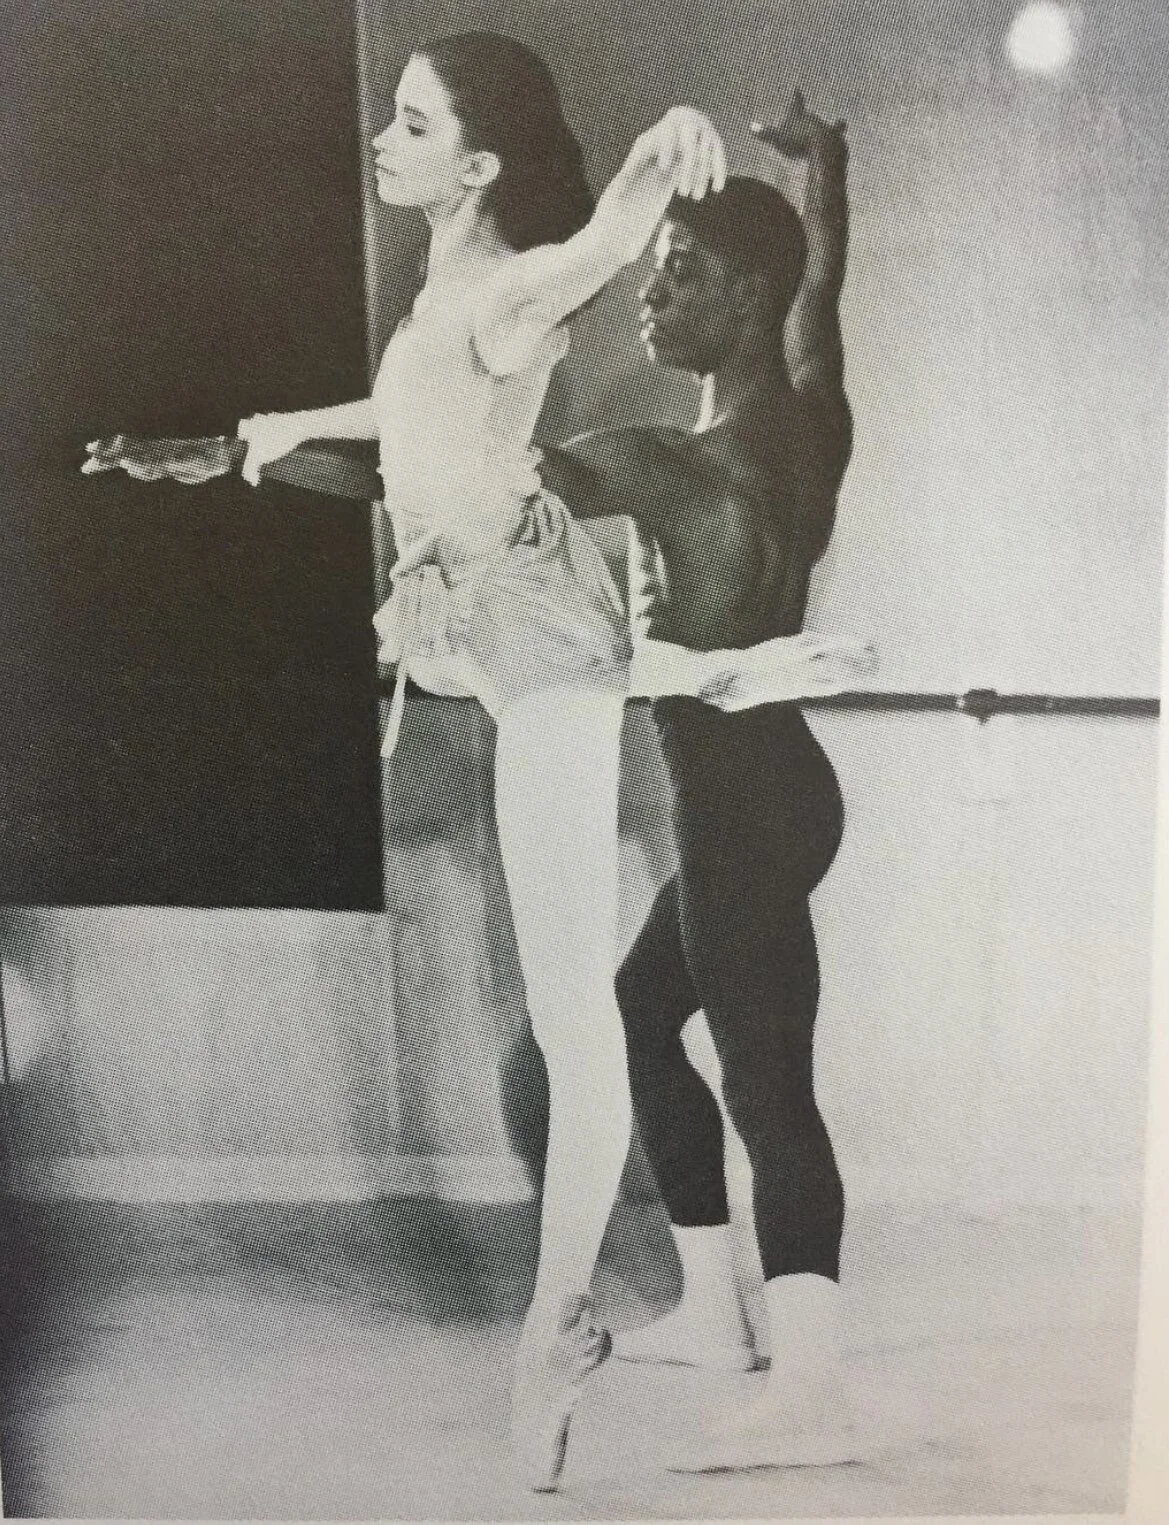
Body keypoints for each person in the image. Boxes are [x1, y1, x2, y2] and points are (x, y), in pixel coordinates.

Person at [82, 31, 727, 1491]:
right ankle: (565, 1315)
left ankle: (557, 1325)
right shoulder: (445, 290)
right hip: (464, 612)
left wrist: (654, 139)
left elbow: (605, 244)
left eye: (414, 122)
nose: (384, 137)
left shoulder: (507, 283)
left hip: (542, 638)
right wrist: (249, 439)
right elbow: (416, 419)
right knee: (567, 1009)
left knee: (574, 1018)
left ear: (479, 162)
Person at [537, 91, 873, 1471]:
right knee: (637, 1017)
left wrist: (258, 462)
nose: (644, 301)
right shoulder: (810, 417)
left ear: (739, 296)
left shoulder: (673, 466)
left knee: (769, 1086)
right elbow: (821, 276)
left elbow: (460, 480)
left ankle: (812, 1395)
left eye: (672, 278)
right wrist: (828, 168)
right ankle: (716, 1318)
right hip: (779, 794)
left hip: (742, 806)